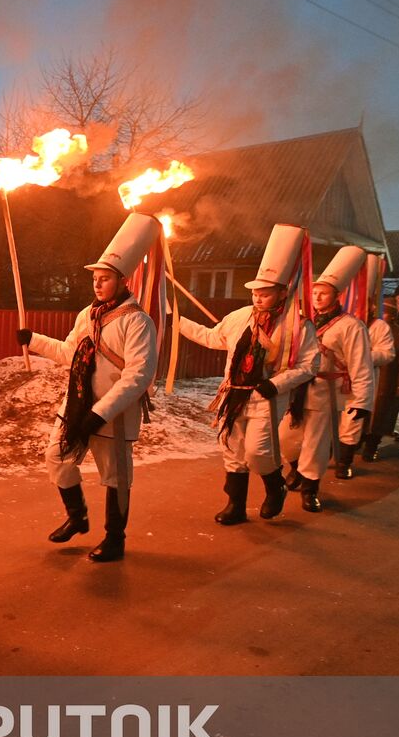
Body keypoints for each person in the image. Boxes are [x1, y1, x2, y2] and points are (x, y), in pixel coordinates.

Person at [18, 213, 159, 563]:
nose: (97, 284)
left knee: (115, 478)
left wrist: (101, 413)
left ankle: (115, 539)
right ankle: (78, 517)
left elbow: (138, 376)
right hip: (78, 405)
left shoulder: (138, 321)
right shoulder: (88, 315)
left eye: (105, 278)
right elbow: (69, 353)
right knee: (58, 459)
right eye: (95, 278)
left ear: (123, 280)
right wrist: (33, 340)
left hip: (115, 413)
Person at [178, 224, 319, 525]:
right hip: (233, 393)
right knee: (231, 448)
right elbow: (212, 337)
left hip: (267, 396)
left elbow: (309, 365)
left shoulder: (298, 325)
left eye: (265, 293)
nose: (258, 298)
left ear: (282, 292)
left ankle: (275, 486)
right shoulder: (239, 317)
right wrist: (176, 321)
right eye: (255, 292)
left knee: (257, 452)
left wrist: (275, 384)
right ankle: (236, 506)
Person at [279, 247, 374, 501]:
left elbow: (361, 366)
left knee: (315, 444)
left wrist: (362, 402)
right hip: (297, 390)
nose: (318, 297)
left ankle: (310, 489)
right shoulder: (301, 321)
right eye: (315, 292)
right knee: (284, 438)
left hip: (326, 393)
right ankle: (296, 468)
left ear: (337, 295)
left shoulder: (351, 326)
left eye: (324, 293)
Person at [363, 296, 399, 461]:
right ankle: (353, 445)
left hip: (385, 385)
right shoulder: (363, 329)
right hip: (362, 381)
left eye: (384, 312)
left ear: (392, 315)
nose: (380, 315)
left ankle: (371, 447)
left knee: (379, 419)